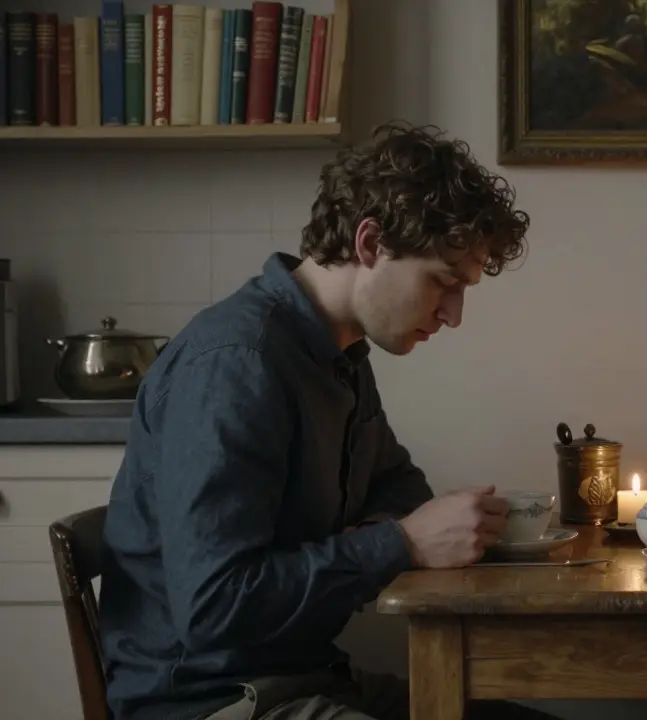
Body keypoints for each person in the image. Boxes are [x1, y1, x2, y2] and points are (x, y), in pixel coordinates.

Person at [97, 122, 559, 720]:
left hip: (307, 679)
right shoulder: (237, 363)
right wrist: (401, 544)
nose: (453, 315)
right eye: (443, 282)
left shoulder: (339, 354)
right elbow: (214, 608)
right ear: (370, 243)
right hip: (214, 703)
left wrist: (390, 535)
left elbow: (399, 487)